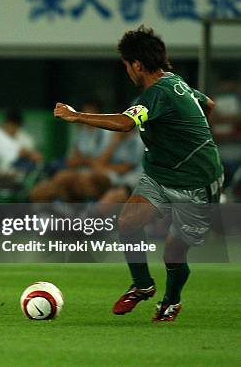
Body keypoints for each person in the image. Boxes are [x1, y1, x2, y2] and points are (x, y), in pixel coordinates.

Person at [54, 25, 224, 322]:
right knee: (128, 221)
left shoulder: (158, 93)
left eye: (126, 66)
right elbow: (207, 104)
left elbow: (124, 124)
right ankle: (143, 285)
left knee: (173, 252)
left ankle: (171, 301)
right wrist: (182, 136)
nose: (127, 72)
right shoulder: (174, 83)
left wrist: (76, 115)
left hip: (197, 182)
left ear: (137, 65)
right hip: (160, 174)